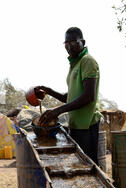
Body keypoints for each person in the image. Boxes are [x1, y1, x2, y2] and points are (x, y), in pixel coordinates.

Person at [35, 27, 101, 164]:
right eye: (66, 44)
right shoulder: (75, 64)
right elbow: (70, 98)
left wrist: (57, 111)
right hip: (76, 126)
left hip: (87, 126)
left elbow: (89, 96)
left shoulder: (87, 61)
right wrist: (49, 91)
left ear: (82, 41)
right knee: (80, 167)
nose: (69, 46)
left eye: (73, 42)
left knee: (90, 167)